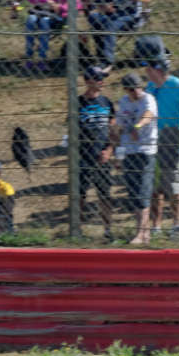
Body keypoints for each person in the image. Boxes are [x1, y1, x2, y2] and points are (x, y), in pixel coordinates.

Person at [144, 58, 179, 241]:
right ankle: (156, 225)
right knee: (156, 187)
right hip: (154, 140)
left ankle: (177, 224)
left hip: (173, 141)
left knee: (175, 186)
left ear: (159, 70)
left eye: (150, 69)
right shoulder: (150, 87)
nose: (147, 72)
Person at [113, 72, 158, 245]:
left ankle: (141, 233)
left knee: (143, 192)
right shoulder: (124, 102)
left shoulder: (148, 99)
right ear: (126, 90)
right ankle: (143, 233)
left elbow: (148, 114)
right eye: (133, 89)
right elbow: (119, 127)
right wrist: (118, 155)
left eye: (139, 87)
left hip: (146, 150)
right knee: (133, 193)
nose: (137, 91)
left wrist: (137, 126)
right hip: (129, 151)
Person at [87, 0, 150, 68]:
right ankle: (101, 56)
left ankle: (107, 62)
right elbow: (100, 4)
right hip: (112, 14)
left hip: (131, 15)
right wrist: (105, 7)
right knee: (94, 18)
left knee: (110, 25)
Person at [76, 65, 116, 241]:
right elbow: (73, 132)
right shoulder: (78, 103)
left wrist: (109, 150)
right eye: (97, 78)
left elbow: (113, 129)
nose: (101, 81)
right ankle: (77, 230)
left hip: (102, 157)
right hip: (83, 156)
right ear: (87, 81)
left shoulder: (106, 102)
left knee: (105, 195)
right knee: (80, 196)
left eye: (102, 78)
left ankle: (108, 229)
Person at [22, 0, 80, 70]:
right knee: (30, 20)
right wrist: (46, 1)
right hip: (41, 11)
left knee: (45, 22)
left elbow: (77, 4)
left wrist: (61, 7)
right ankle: (28, 57)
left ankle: (42, 59)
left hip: (59, 17)